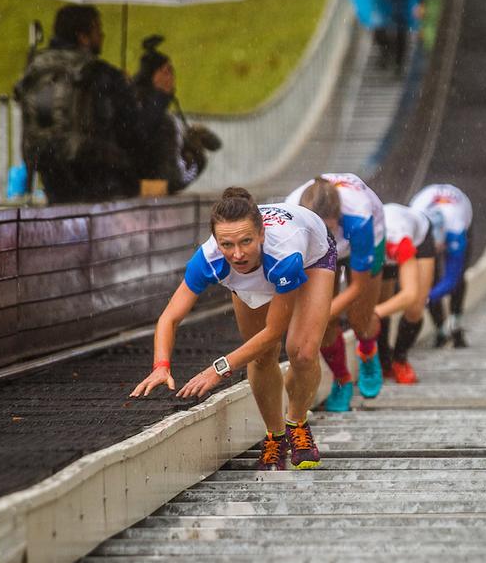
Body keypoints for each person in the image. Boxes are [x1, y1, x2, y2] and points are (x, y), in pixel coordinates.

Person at [130, 188, 337, 471]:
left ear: (261, 235)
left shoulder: (284, 256)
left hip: (313, 256)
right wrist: (161, 364)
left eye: (246, 241)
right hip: (263, 269)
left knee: (301, 351)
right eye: (227, 244)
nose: (238, 254)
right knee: (261, 356)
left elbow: (274, 331)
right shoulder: (208, 259)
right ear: (216, 241)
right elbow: (169, 318)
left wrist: (217, 369)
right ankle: (275, 435)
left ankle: (297, 422)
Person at [14, 5, 140, 203]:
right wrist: (127, 87)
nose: (103, 34)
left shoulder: (36, 69)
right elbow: (131, 125)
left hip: (49, 170)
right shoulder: (98, 73)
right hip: (94, 176)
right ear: (83, 37)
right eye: (98, 29)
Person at [287, 174, 387, 412]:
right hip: (321, 253)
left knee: (359, 319)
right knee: (322, 324)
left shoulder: (359, 217)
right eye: (315, 229)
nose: (323, 233)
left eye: (327, 228)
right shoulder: (290, 213)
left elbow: (358, 287)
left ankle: (367, 348)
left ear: (337, 218)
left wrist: (321, 313)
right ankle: (342, 379)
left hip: (365, 241)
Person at [130, 35, 220, 194]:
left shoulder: (145, 106)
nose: (172, 77)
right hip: (150, 199)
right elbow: (174, 182)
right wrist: (197, 157)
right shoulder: (154, 115)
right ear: (156, 75)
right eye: (167, 71)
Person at [370, 202, 438, 383]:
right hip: (382, 243)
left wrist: (376, 313)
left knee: (415, 308)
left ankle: (400, 358)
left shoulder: (399, 241)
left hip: (416, 237)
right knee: (380, 299)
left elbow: (410, 294)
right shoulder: (354, 242)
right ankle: (384, 361)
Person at [409, 183, 473, 348]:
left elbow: (452, 279)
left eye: (438, 246)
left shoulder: (456, 229)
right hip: (427, 211)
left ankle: (455, 325)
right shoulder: (414, 223)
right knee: (428, 278)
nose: (437, 250)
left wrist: (423, 299)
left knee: (458, 277)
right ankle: (441, 329)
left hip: (460, 213)